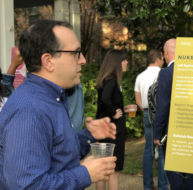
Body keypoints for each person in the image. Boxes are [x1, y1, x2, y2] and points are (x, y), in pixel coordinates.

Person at [0, 19, 117, 190]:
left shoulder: (52, 97)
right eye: (76, 53)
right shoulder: (30, 110)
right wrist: (86, 174)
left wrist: (87, 136)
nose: (83, 60)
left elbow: (57, 155)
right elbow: (27, 186)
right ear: (48, 61)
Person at [153, 39, 193, 190]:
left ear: (166, 53)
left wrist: (157, 133)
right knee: (189, 171)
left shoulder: (165, 73)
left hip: (172, 132)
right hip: (191, 130)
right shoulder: (192, 71)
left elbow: (163, 105)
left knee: (175, 173)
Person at [95, 49, 129, 190]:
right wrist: (114, 112)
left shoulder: (106, 79)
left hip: (105, 128)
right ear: (117, 62)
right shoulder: (112, 80)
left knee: (103, 170)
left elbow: (106, 101)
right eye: (124, 59)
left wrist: (120, 108)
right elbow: (105, 99)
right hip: (114, 131)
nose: (127, 62)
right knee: (114, 171)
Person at [134, 49, 168, 190]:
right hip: (162, 115)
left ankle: (148, 186)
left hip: (147, 114)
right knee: (161, 150)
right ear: (158, 59)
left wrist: (147, 111)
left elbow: (138, 100)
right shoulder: (163, 74)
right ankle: (162, 187)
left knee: (148, 149)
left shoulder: (140, 76)